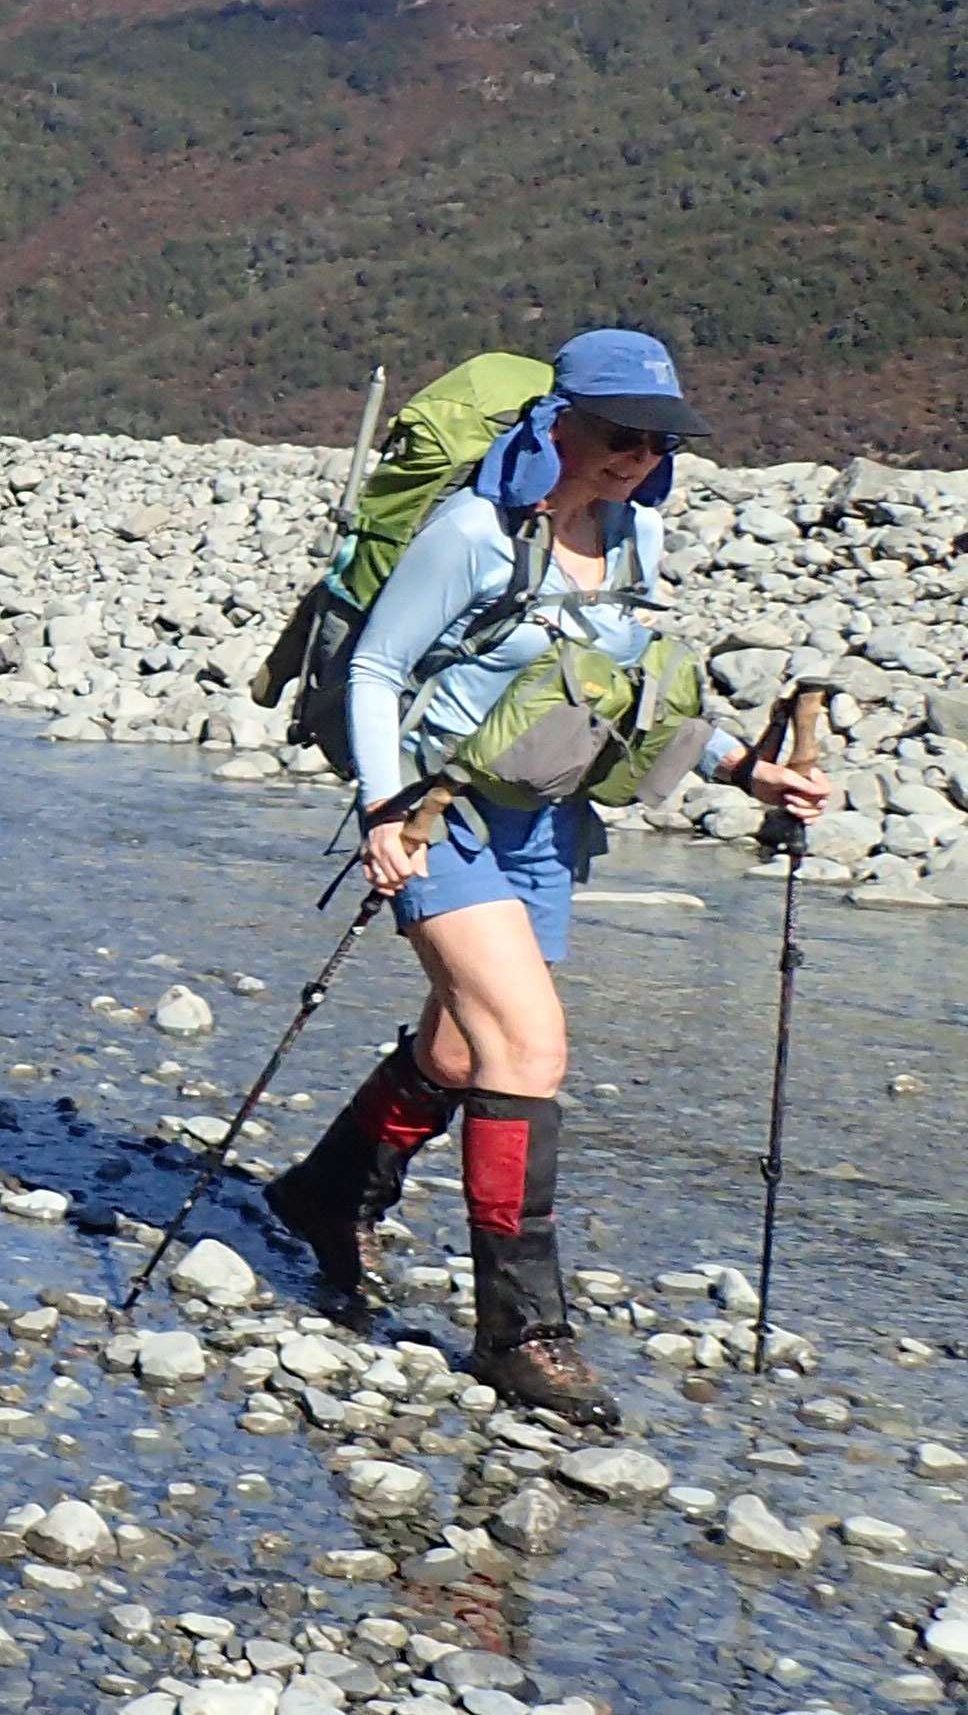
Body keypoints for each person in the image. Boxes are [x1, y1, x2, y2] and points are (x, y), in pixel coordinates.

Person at [263, 329, 836, 1424]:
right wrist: (383, 809)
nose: (634, 456)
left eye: (655, 439)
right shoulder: (474, 532)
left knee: (453, 1042)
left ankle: (326, 1194)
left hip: (544, 823)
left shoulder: (634, 536)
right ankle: (518, 1332)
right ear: (557, 420)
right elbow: (380, 669)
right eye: (619, 434)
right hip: (440, 817)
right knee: (526, 1048)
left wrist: (745, 771)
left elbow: (626, 689)